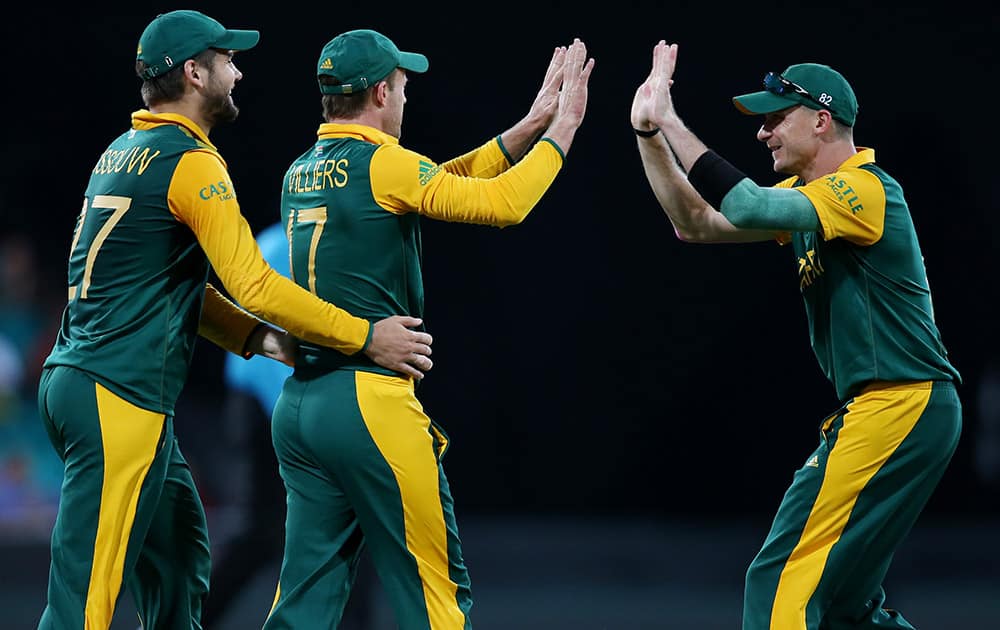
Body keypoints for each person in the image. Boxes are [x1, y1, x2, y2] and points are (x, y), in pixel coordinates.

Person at [35, 10, 434, 630]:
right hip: (116, 393)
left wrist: (260, 340)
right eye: (227, 60)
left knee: (180, 562)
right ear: (195, 73)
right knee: (82, 601)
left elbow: (174, 287)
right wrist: (364, 336)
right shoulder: (191, 162)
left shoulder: (124, 150)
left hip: (91, 384)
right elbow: (250, 282)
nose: (238, 71)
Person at [263, 29, 593, 630]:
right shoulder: (385, 164)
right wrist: (563, 129)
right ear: (382, 92)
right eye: (404, 86)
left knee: (304, 604)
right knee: (435, 600)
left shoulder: (300, 170)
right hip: (369, 403)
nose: (408, 98)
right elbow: (501, 205)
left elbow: (435, 183)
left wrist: (525, 129)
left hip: (302, 407)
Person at [630, 42, 962, 630]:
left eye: (775, 118)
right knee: (846, 609)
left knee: (782, 577)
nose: (763, 134)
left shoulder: (867, 189)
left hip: (901, 404)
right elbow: (697, 223)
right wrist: (649, 134)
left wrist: (673, 119)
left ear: (821, 119)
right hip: (901, 408)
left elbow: (746, 205)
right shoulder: (809, 200)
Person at [202, 222, 376, 629]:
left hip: (292, 400)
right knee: (263, 529)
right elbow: (268, 342)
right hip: (266, 404)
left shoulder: (333, 247)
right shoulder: (280, 248)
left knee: (344, 522)